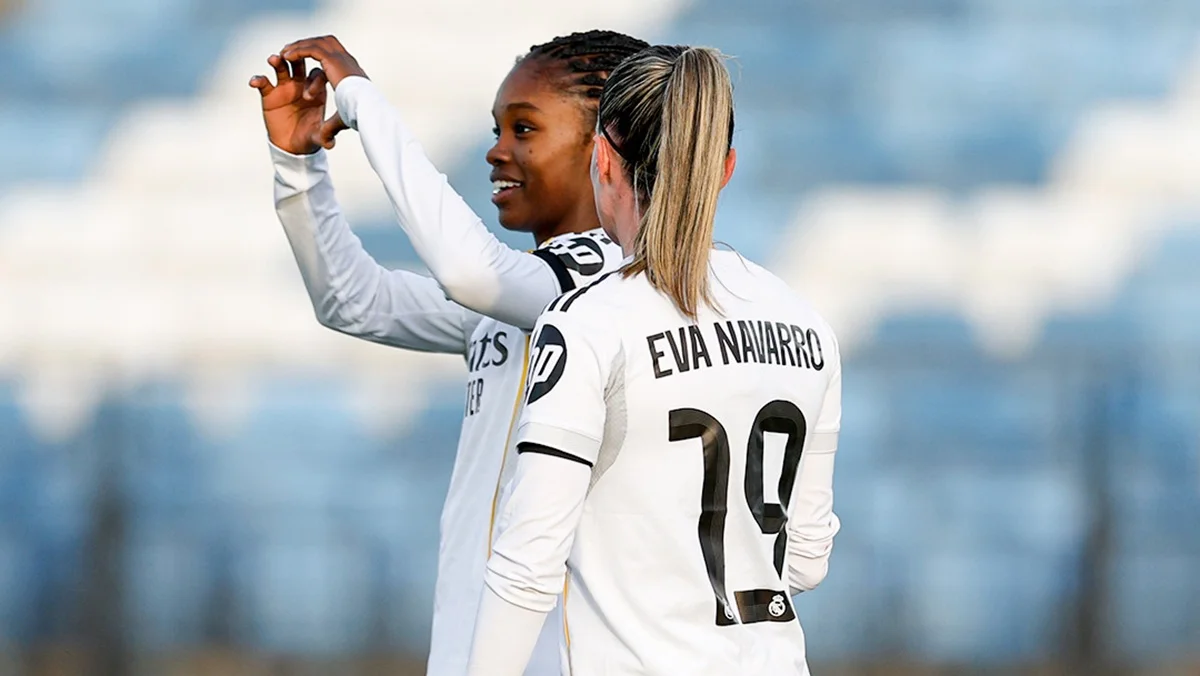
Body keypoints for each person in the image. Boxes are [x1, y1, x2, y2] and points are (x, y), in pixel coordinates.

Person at [248, 30, 649, 676]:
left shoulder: (609, 281)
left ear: (604, 149)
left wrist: (361, 100)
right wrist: (300, 169)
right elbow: (353, 300)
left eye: (525, 129)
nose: (497, 151)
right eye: (498, 129)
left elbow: (469, 271)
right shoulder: (526, 287)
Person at [466, 45, 843, 676]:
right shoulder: (808, 324)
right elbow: (805, 559)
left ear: (602, 159)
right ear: (724, 168)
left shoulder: (587, 321)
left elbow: (527, 564)